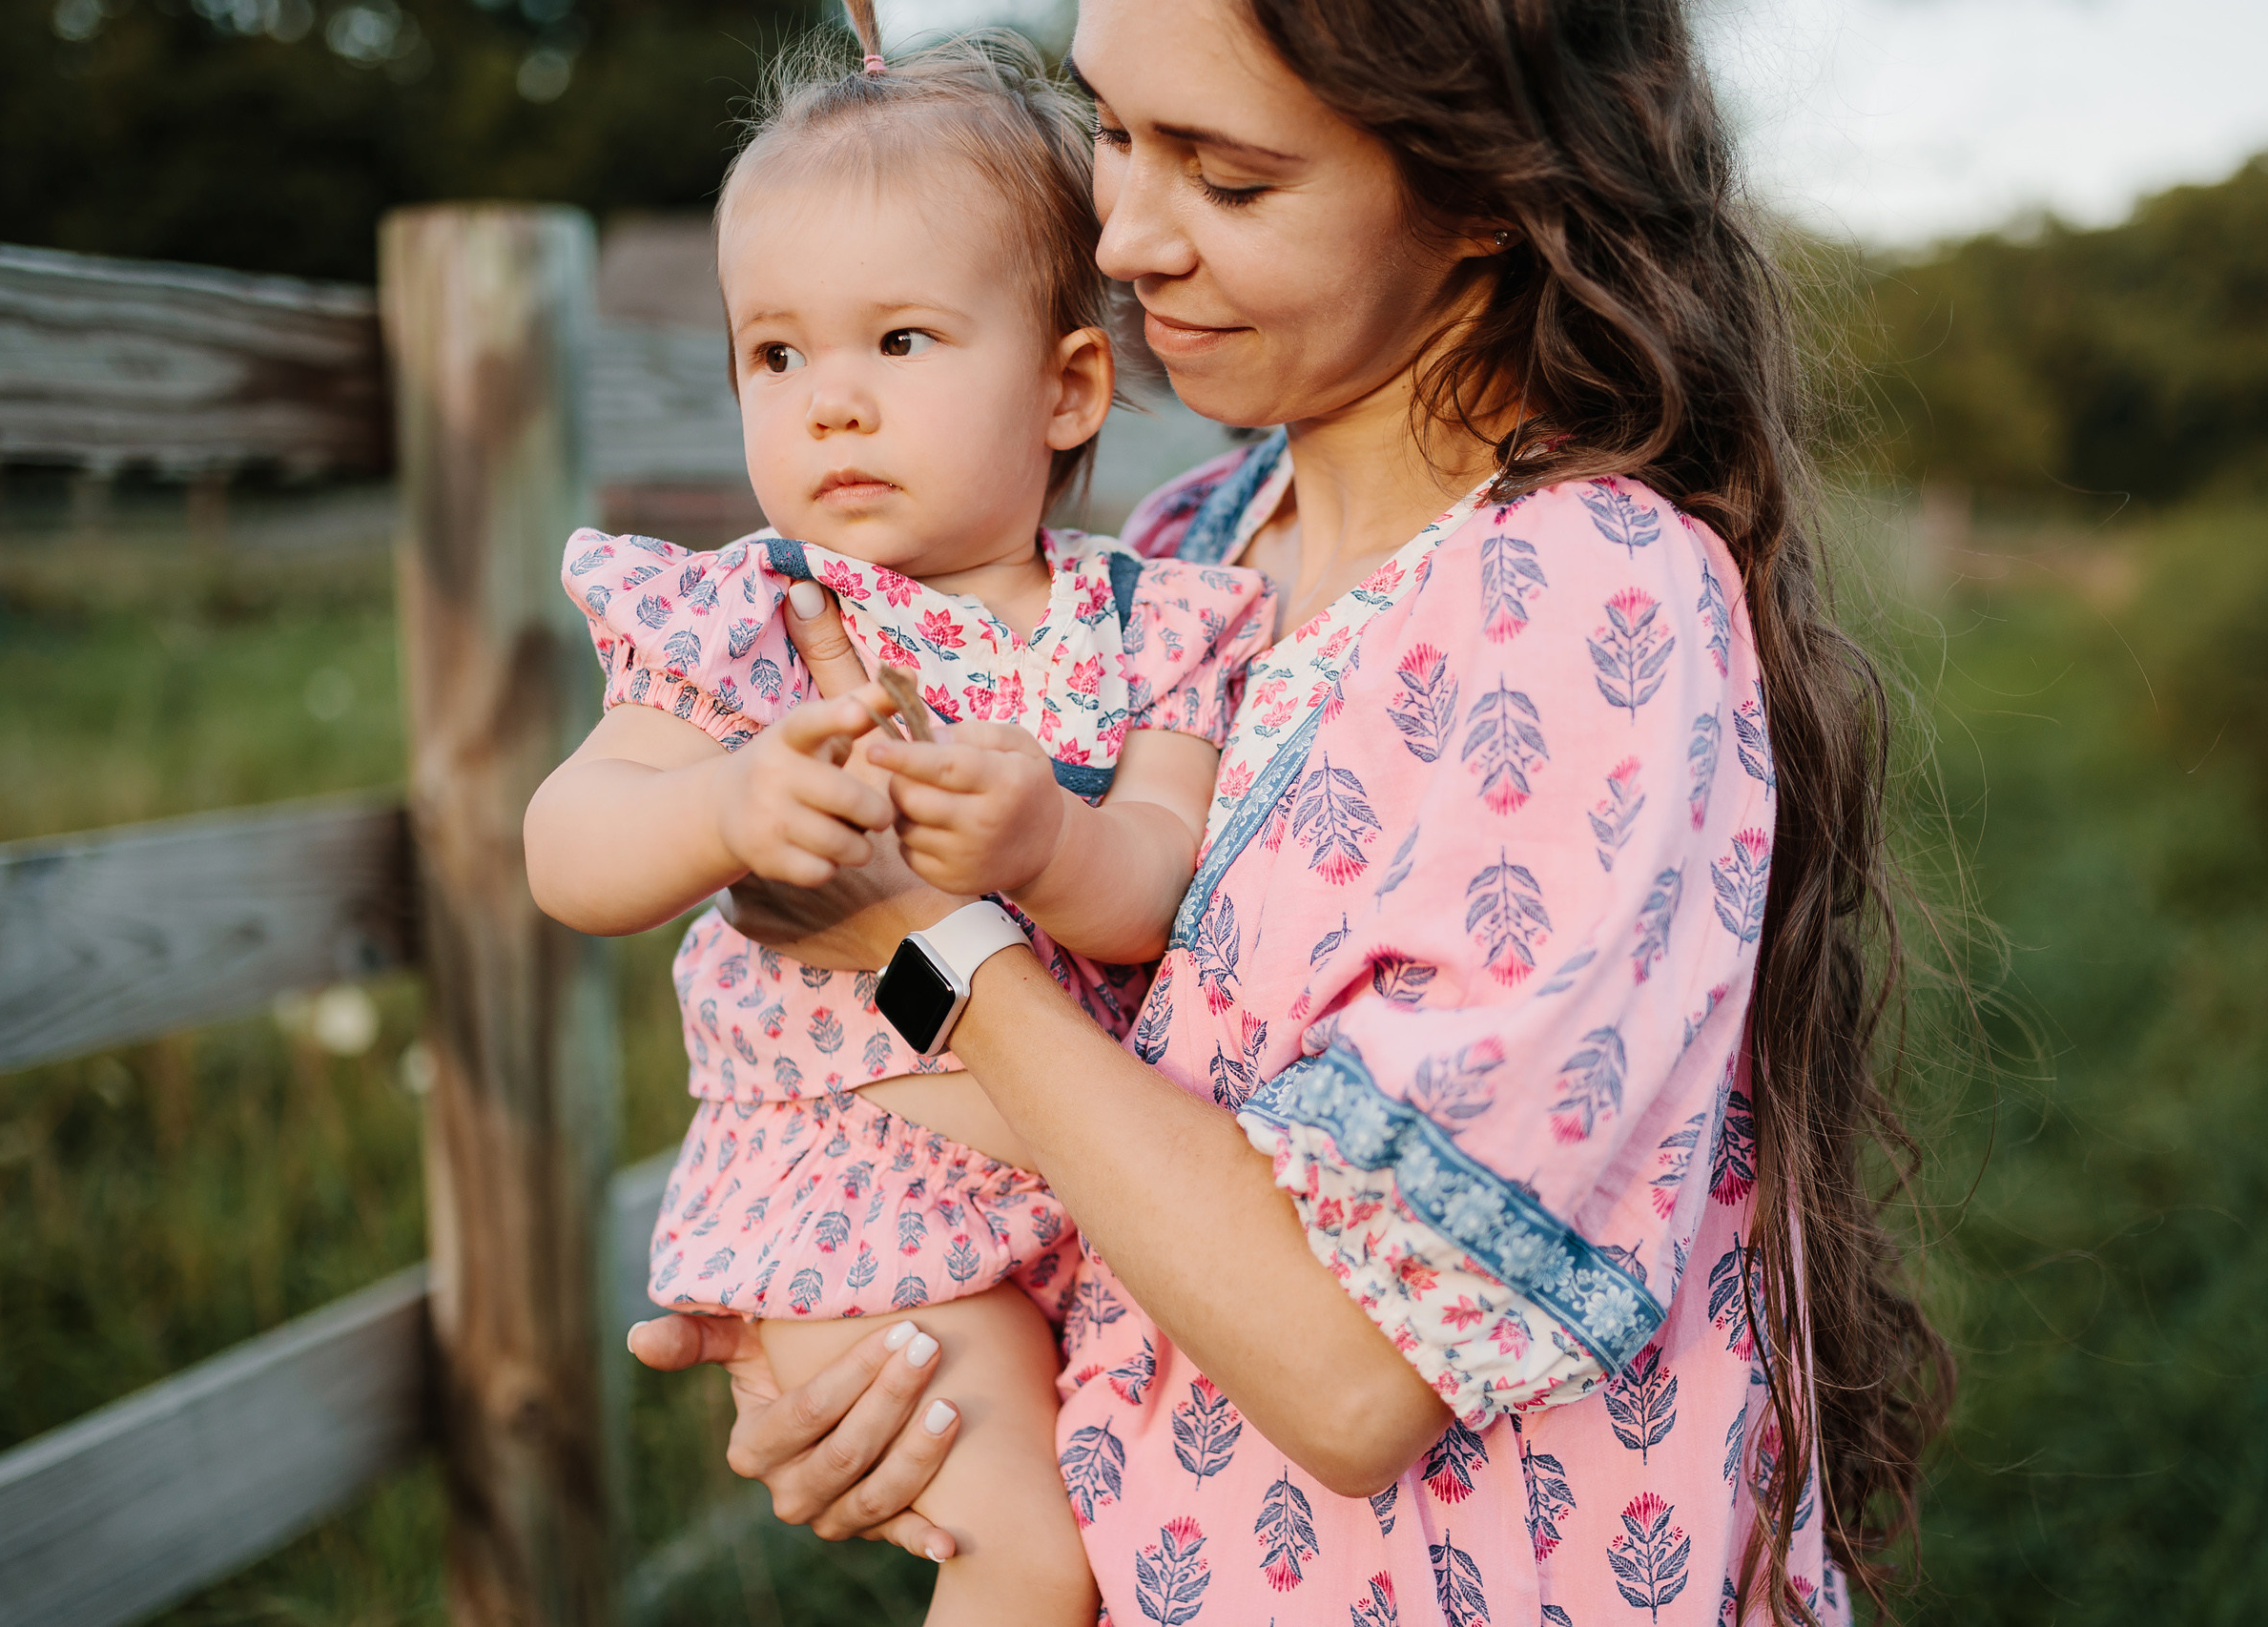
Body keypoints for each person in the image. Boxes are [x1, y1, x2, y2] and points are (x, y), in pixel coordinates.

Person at [629, 0, 1956, 1622]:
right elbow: (1105, 1155)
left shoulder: (1575, 605)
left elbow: (1352, 1373)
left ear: (1483, 189)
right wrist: (880, 1341)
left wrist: (928, 946)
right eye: (1117, 133)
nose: (1124, 236)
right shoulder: (1184, 552)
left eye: (1229, 178)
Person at [523, 10, 1272, 1624]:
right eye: (777, 355)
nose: (831, 406)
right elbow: (570, 847)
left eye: (902, 343)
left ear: (1068, 385)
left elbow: (1155, 874)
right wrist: (728, 800)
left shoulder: (1156, 624)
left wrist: (1047, 849)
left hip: (1113, 1182)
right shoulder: (750, 620)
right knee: (1032, 1558)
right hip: (862, 1178)